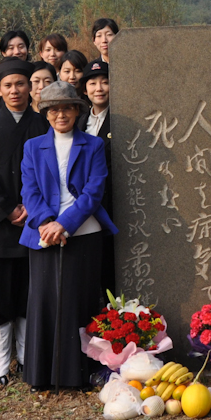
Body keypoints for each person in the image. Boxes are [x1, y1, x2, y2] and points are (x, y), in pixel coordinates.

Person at [19, 80, 117, 390]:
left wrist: (65, 223)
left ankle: (80, 373)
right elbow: (29, 190)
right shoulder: (33, 146)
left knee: (80, 299)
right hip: (43, 233)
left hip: (83, 230)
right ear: (46, 114)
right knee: (43, 302)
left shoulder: (93, 144)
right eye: (54, 109)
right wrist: (48, 222)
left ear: (77, 110)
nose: (61, 114)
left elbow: (94, 190)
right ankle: (41, 375)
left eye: (67, 108)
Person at [0, 58, 48, 388]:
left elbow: (49, 173)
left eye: (21, 84)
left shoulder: (43, 124)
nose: (15, 90)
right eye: (8, 85)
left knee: (27, 298)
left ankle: (27, 361)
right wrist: (7, 209)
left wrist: (32, 208)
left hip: (36, 223)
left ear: (30, 87)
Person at [78, 59, 115, 293]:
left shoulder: (121, 120)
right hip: (83, 207)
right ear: (85, 89)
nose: (99, 88)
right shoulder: (79, 121)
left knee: (112, 269)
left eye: (105, 82)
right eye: (92, 83)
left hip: (112, 202)